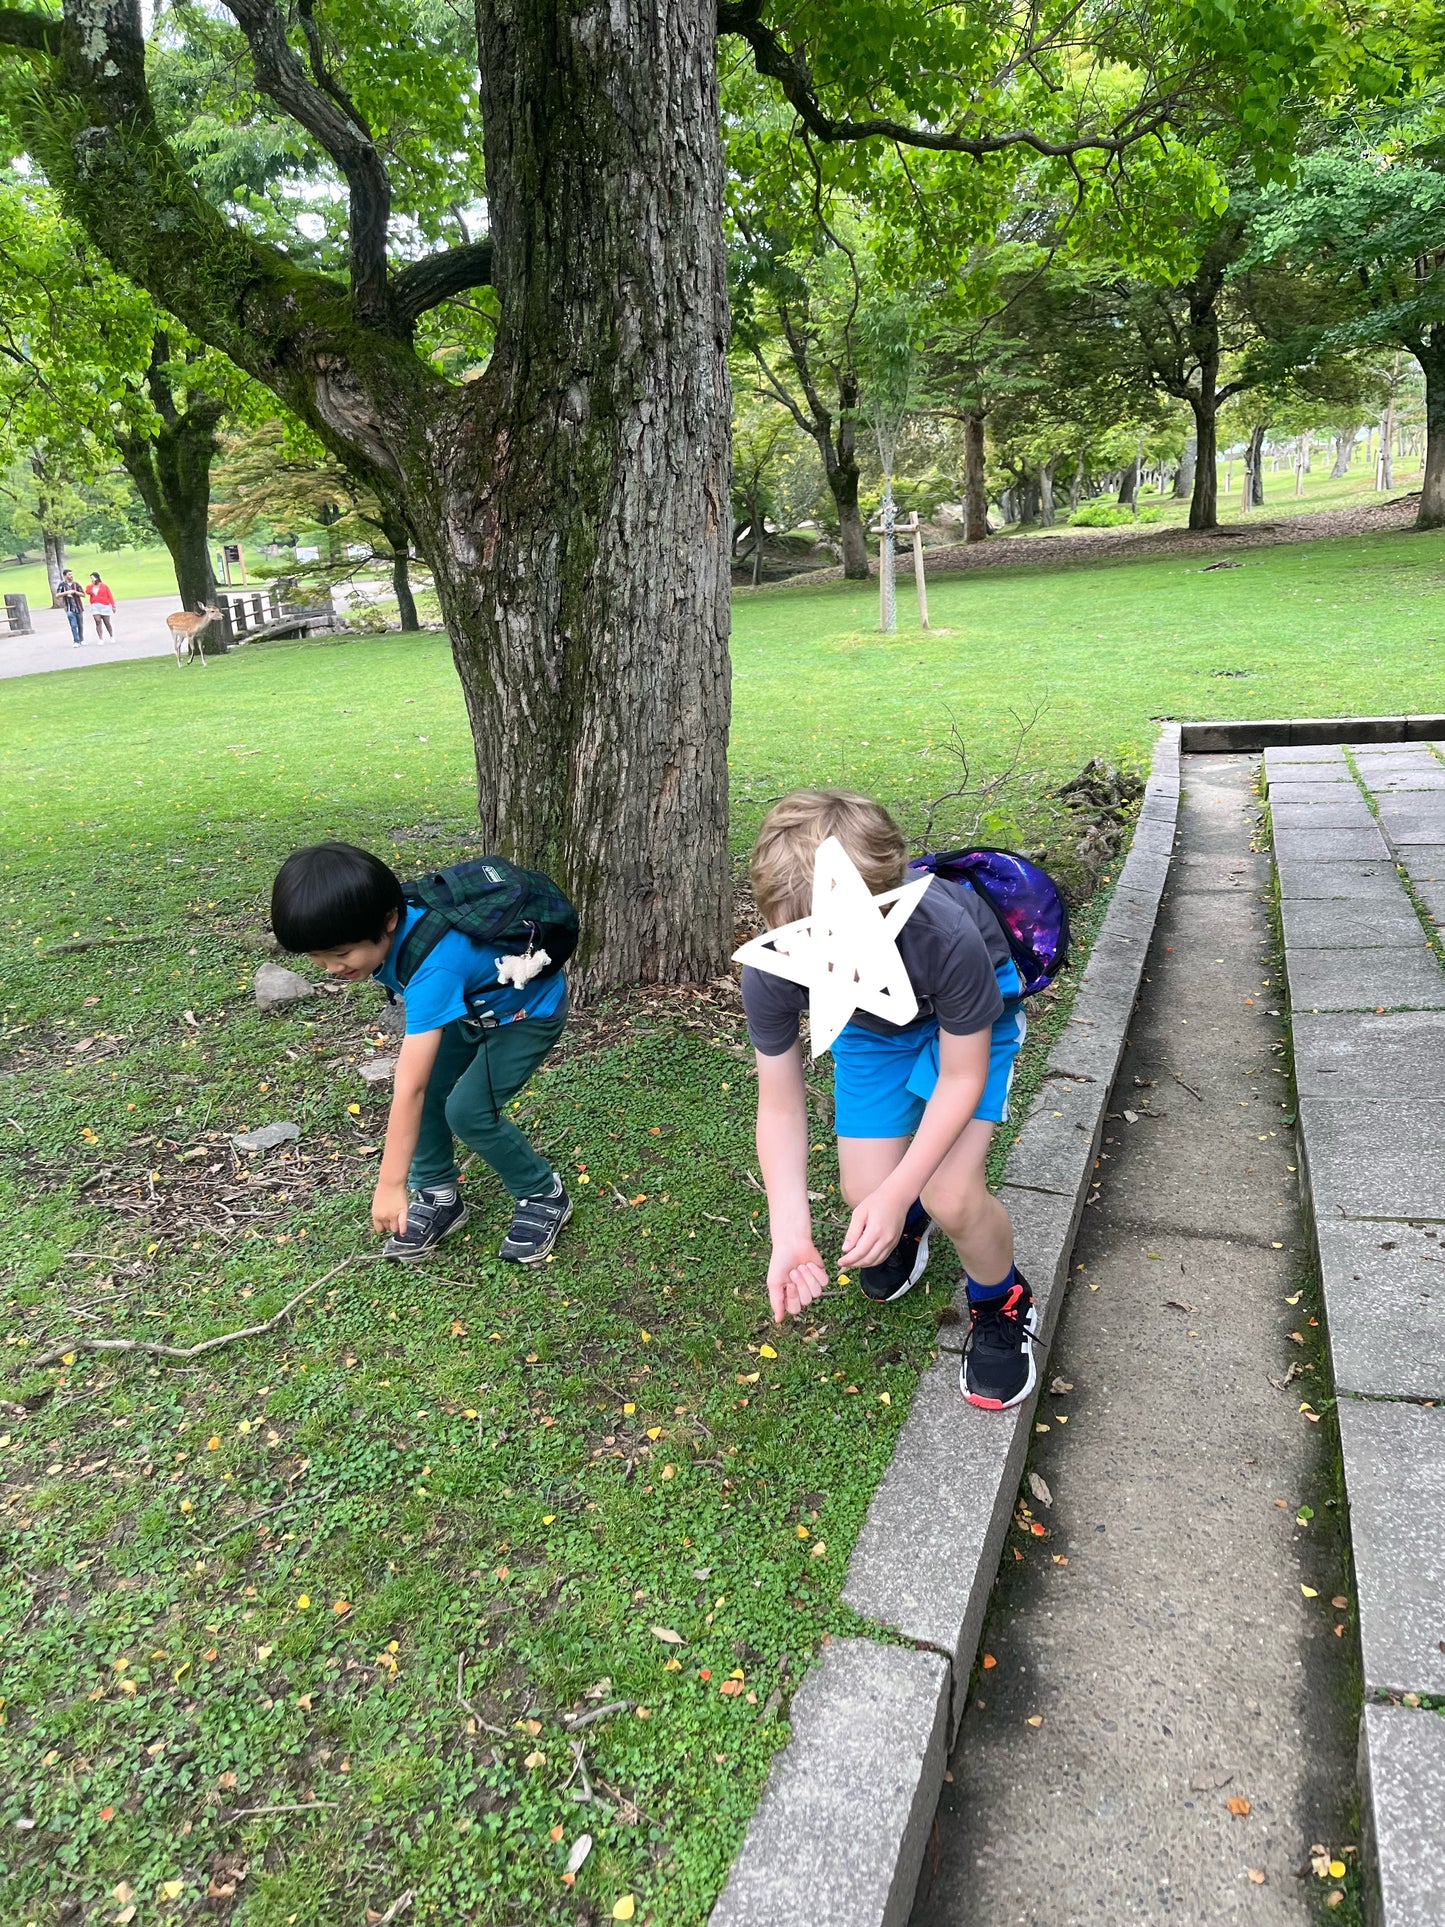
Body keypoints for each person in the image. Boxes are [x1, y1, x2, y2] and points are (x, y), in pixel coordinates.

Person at [740, 789, 1035, 1409]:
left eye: (842, 948)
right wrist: (789, 1229)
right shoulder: (771, 966)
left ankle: (1001, 1299)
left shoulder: (944, 933)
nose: (824, 965)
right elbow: (782, 1105)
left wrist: (904, 1192)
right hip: (872, 1031)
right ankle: (909, 1224)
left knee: (950, 1194)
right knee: (863, 1192)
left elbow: (960, 1076)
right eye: (804, 949)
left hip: (971, 1025)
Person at [270, 842, 573, 1265]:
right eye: (317, 959)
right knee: (432, 1090)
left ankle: (543, 1193)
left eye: (341, 954)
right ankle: (439, 1194)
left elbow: (407, 1087)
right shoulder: (390, 923)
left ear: (389, 919)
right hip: (470, 1011)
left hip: (525, 1016)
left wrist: (390, 1183)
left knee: (467, 1112)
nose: (332, 968)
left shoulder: (434, 968)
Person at [57, 569, 86, 646]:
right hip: (69, 608)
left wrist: (75, 592)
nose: (71, 576)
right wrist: (66, 593)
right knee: (73, 625)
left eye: (71, 574)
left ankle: (81, 639)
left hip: (78, 607)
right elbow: (57, 595)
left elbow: (83, 594)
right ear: (65, 576)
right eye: (69, 574)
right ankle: (76, 641)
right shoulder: (62, 585)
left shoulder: (76, 584)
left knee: (80, 625)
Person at [86, 572, 116, 642]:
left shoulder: (104, 586)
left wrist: (113, 605)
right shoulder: (90, 587)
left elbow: (110, 596)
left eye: (93, 578)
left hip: (104, 605)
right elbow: (87, 592)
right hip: (95, 606)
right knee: (98, 621)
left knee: (107, 622)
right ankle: (100, 638)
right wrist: (92, 585)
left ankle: (111, 636)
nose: (92, 579)